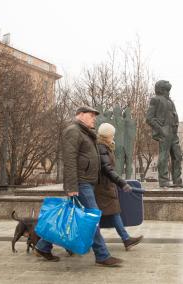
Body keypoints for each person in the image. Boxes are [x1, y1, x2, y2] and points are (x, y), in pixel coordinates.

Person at [35, 106, 123, 267]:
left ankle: (43, 246)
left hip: (86, 182)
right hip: (80, 183)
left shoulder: (85, 133)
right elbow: (69, 160)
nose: (94, 118)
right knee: (92, 218)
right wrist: (71, 186)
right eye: (91, 115)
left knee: (71, 215)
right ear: (80, 115)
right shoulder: (73, 131)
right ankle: (102, 255)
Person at [95, 123, 143, 250]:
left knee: (113, 213)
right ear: (107, 135)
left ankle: (126, 239)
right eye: (112, 135)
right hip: (103, 188)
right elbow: (107, 169)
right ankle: (84, 242)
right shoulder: (101, 147)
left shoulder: (105, 146)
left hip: (106, 186)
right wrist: (121, 183)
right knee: (97, 217)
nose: (113, 137)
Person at [146, 80, 183, 187]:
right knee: (164, 155)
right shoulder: (155, 99)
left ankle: (177, 180)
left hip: (173, 132)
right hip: (165, 131)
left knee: (177, 155)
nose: (169, 91)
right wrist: (160, 129)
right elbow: (149, 118)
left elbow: (174, 114)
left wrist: (176, 125)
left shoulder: (170, 101)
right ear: (162, 89)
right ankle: (163, 180)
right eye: (167, 89)